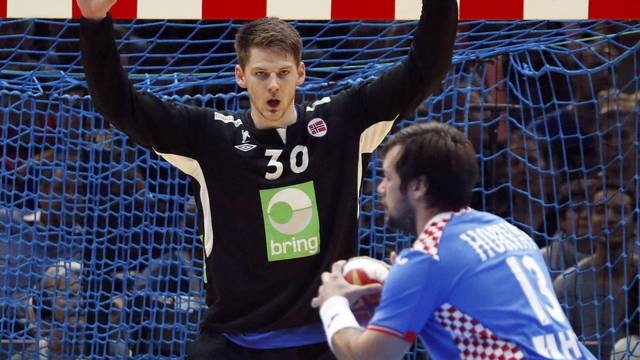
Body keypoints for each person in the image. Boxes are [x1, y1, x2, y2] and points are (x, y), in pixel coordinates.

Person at [75, 0, 458, 357]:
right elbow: (119, 105)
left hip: (324, 339)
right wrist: (94, 23)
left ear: (301, 74)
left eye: (282, 73)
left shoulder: (345, 122)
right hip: (234, 342)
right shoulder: (208, 138)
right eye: (261, 74)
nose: (273, 85)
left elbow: (423, 70)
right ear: (241, 77)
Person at [311, 122, 595, 359]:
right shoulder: (506, 231)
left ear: (418, 187)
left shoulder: (427, 259)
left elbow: (368, 357)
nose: (382, 189)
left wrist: (333, 303)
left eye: (388, 178)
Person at [553, 183, 636, 359]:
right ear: (589, 221)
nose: (610, 218)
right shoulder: (566, 284)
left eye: (620, 211)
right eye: (600, 211)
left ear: (635, 224)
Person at [540, 178, 598, 280]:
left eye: (591, 209)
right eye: (577, 209)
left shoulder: (613, 258)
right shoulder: (542, 259)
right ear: (562, 220)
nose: (585, 215)